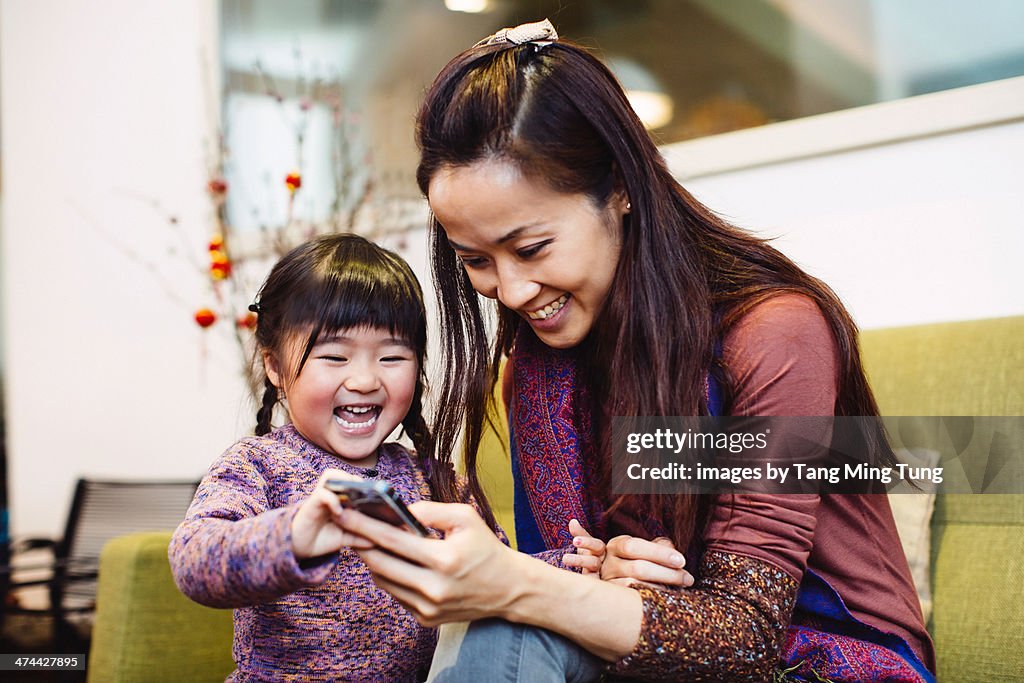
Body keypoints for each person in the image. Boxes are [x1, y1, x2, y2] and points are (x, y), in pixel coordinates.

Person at [339, 19, 937, 683]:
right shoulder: (537, 368)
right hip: (650, 655)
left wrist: (534, 585)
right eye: (476, 260)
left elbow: (745, 636)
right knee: (511, 629)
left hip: (821, 660)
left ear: (620, 188)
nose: (509, 290)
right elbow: (570, 570)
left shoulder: (776, 333)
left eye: (532, 248)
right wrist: (599, 576)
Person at [170, 234, 451, 682]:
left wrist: (575, 564)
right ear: (276, 367)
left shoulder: (427, 474)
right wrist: (292, 536)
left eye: (392, 356)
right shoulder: (258, 466)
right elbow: (193, 559)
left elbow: (493, 564)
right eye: (335, 356)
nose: (363, 379)